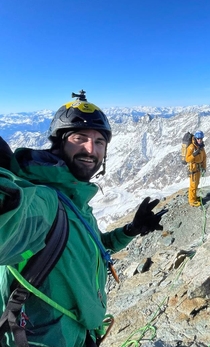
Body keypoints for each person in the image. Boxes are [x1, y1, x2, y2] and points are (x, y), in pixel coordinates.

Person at [0, 91, 163, 347]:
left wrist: (131, 230)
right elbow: (8, 222)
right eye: (80, 138)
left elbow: (91, 247)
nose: (91, 149)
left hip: (78, 335)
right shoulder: (42, 200)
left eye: (99, 142)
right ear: (59, 143)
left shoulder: (74, 200)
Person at [185, 130, 207, 207]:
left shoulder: (201, 147)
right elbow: (187, 159)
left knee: (196, 184)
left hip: (198, 168)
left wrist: (204, 167)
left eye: (201, 138)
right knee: (193, 185)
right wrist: (194, 155)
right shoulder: (191, 147)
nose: (199, 140)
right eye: (198, 138)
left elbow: (204, 157)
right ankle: (191, 201)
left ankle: (194, 197)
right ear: (195, 138)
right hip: (193, 169)